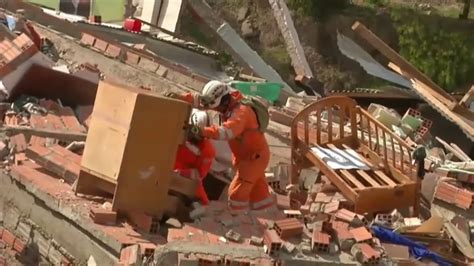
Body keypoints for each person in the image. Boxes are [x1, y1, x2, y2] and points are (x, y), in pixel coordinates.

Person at [166, 80, 274, 214]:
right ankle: (267, 212)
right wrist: (180, 97)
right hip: (245, 156)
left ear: (225, 101)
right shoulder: (226, 101)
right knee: (258, 191)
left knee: (236, 193)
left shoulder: (242, 113)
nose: (215, 110)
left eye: (217, 107)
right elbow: (201, 101)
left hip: (253, 158)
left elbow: (225, 132)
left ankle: (236, 219)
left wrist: (201, 131)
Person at [174, 109, 215, 206]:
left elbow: (199, 175)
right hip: (160, 168)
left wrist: (180, 173)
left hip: (181, 178)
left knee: (204, 206)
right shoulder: (175, 129)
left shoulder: (207, 150)